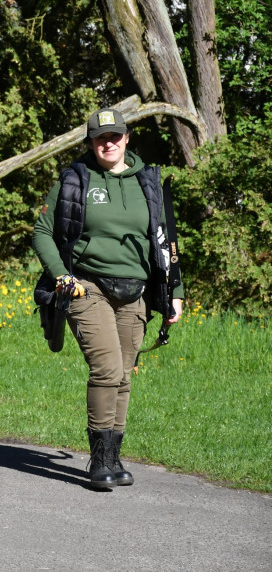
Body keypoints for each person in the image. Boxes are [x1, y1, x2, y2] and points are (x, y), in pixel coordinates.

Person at [32, 107, 183, 490]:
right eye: (101, 137)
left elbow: (167, 242)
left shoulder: (148, 182)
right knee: (107, 370)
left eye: (115, 135)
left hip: (136, 290)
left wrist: (174, 293)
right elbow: (42, 232)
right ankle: (99, 460)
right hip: (88, 286)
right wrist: (62, 276)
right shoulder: (75, 180)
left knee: (125, 377)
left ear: (127, 138)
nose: (109, 142)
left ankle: (114, 457)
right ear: (91, 142)